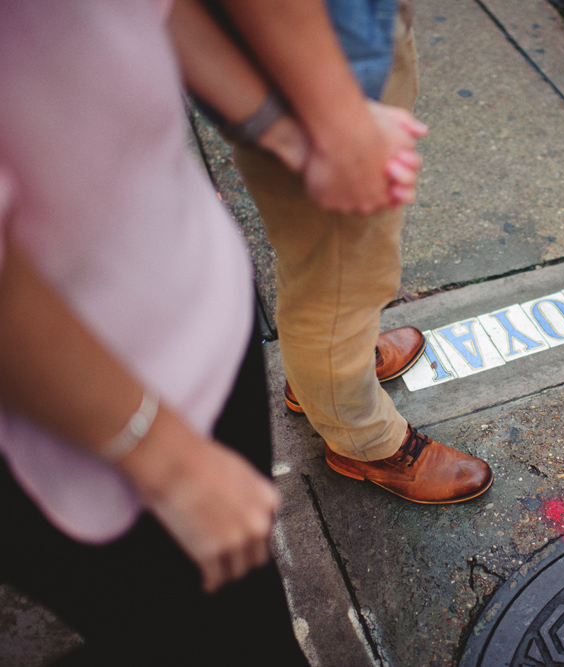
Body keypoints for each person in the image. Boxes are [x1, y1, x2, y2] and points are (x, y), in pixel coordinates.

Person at [0, 1, 309, 663]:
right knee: (217, 641)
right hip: (85, 428)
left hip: (194, 309)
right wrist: (169, 462)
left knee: (244, 620)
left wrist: (281, 128)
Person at [188, 0, 494, 504]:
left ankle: (326, 379)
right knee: (341, 282)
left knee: (340, 267)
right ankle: (363, 442)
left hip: (352, 50)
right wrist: (328, 125)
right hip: (314, 89)